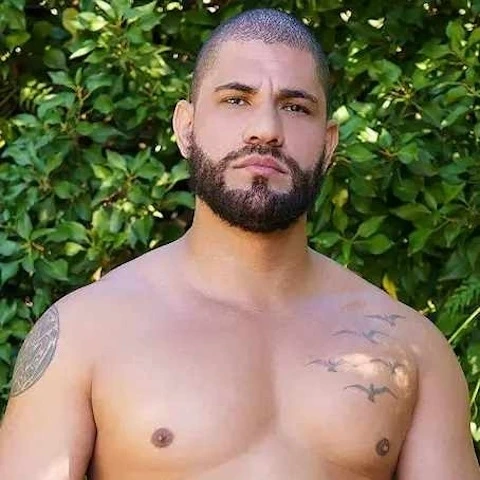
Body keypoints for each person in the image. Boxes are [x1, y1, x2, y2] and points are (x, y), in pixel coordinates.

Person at [0, 7, 478, 480]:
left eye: (295, 107)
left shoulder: (411, 348)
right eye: (235, 99)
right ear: (186, 128)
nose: (266, 129)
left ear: (329, 144)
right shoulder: (84, 333)